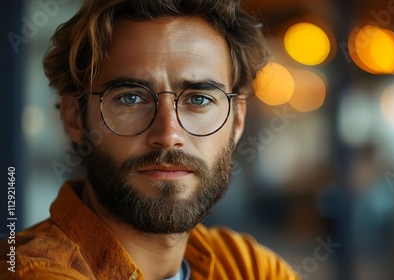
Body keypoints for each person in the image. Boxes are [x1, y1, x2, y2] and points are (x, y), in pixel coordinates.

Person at [0, 0, 300, 279]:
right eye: (131, 98)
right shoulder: (29, 271)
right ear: (75, 118)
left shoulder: (248, 267)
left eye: (198, 98)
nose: (169, 135)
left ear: (237, 120)